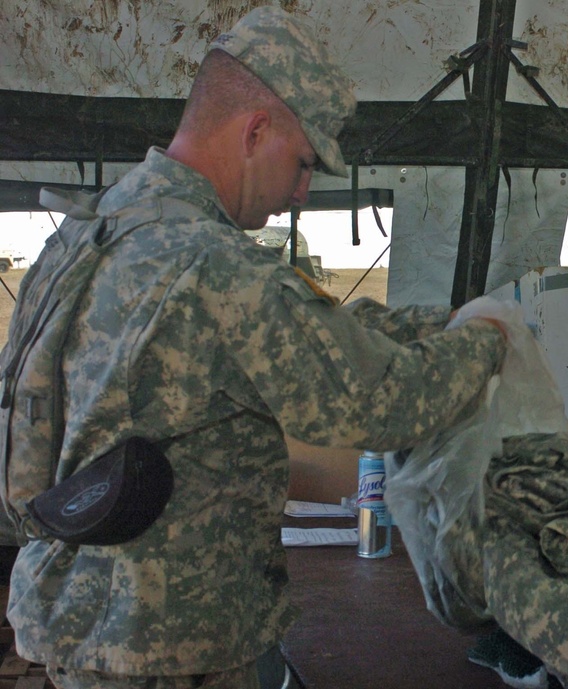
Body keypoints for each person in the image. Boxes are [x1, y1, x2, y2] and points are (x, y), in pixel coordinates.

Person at [4, 7, 506, 689]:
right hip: (175, 645)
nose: (302, 190)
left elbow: (292, 335)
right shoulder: (214, 265)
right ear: (256, 129)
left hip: (81, 614)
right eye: (303, 162)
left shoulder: (87, 235)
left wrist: (431, 321)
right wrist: (486, 340)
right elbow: (380, 402)